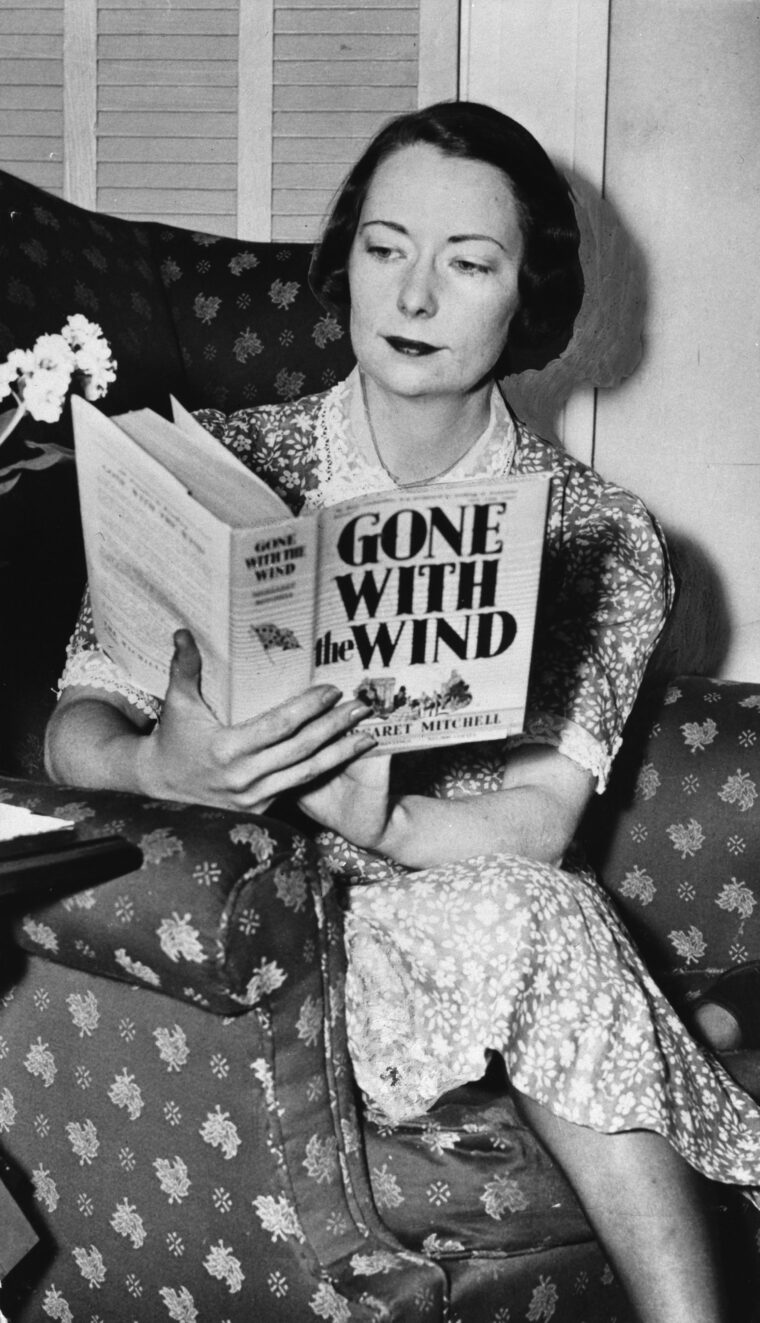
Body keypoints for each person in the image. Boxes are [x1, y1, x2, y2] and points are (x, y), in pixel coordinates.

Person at [45, 101, 760, 1322]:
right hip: (256, 932)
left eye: (467, 263)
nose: (413, 295)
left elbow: (539, 823)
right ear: (348, 265)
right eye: (385, 249)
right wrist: (165, 767)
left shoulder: (599, 531)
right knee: (538, 921)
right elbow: (73, 732)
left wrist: (383, 819)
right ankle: (693, 1081)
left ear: (528, 297)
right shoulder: (216, 465)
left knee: (524, 905)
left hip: (479, 917)